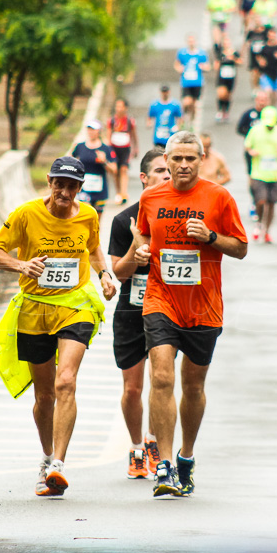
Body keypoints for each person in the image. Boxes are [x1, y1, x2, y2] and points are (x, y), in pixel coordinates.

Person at [0, 156, 118, 497]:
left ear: (80, 188)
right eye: (59, 183)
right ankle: (46, 459)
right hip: (34, 309)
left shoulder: (88, 214)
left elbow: (93, 249)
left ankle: (59, 464)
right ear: (49, 181)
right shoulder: (26, 214)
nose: (64, 191)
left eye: (72, 185)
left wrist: (104, 275)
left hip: (75, 307)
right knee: (44, 396)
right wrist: (20, 264)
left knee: (66, 381)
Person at [133, 131, 248, 497]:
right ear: (165, 160)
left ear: (202, 159)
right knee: (162, 378)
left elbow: (242, 248)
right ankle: (164, 465)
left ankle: (186, 456)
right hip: (160, 300)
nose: (183, 165)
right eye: (177, 159)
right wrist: (142, 251)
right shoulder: (150, 197)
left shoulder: (219, 197)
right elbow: (142, 235)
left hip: (204, 306)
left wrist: (210, 237)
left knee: (193, 386)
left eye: (190, 159)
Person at [108, 148, 170, 480]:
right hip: (132, 311)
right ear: (144, 178)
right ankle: (135, 448)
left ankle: (156, 443)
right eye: (160, 171)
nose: (167, 176)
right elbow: (119, 273)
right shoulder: (123, 220)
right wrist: (137, 247)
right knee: (133, 388)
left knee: (162, 383)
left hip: (168, 311)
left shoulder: (177, 217)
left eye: (170, 171)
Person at [244, 106, 277, 243]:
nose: (269, 128)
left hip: (276, 174)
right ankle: (259, 223)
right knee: (260, 201)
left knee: (271, 203)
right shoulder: (255, 130)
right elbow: (247, 145)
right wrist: (251, 151)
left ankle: (267, 231)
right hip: (258, 173)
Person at [71, 120, 117, 217]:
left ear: (99, 131)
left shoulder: (106, 149)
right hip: (83, 187)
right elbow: (70, 161)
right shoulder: (80, 147)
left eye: (93, 129)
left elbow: (114, 170)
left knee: (96, 220)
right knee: (85, 215)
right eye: (89, 129)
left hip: (99, 188)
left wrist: (104, 161)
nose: (91, 132)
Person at [236, 91, 270, 221]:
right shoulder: (249, 114)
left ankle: (265, 201)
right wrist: (251, 135)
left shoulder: (272, 115)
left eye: (264, 99)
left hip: (268, 154)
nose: (262, 102)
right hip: (252, 153)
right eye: (260, 99)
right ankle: (254, 201)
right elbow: (239, 129)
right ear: (256, 100)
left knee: (266, 178)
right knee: (252, 178)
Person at [106, 98, 139, 205]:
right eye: (117, 106)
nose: (119, 109)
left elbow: (134, 135)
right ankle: (118, 192)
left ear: (125, 108)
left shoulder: (130, 121)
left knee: (124, 170)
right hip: (114, 148)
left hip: (125, 149)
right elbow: (108, 135)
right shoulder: (111, 121)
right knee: (115, 171)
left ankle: (124, 193)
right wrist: (108, 150)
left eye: (121, 106)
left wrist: (136, 147)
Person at [174, 35, 211, 128]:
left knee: (193, 105)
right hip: (186, 82)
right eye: (189, 41)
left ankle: (191, 123)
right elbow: (176, 64)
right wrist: (179, 68)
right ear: (187, 42)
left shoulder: (201, 53)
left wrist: (204, 67)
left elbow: (208, 66)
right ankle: (182, 121)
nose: (191, 43)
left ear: (196, 42)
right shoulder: (182, 53)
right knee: (186, 102)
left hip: (197, 82)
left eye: (193, 41)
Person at [255, 27, 277, 106]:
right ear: (268, 36)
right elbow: (258, 57)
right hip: (266, 74)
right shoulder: (264, 48)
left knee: (274, 95)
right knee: (268, 92)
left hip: (276, 74)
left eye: (273, 35)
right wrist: (260, 62)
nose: (272, 37)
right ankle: (267, 109)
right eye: (270, 35)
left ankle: (272, 109)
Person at [213, 34, 242, 121]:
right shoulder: (220, 53)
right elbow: (216, 65)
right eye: (224, 43)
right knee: (221, 94)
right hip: (222, 77)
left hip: (231, 77)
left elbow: (240, 62)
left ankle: (226, 112)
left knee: (228, 96)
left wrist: (233, 59)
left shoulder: (234, 53)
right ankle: (220, 111)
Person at [243, 18, 269, 94]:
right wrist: (243, 54)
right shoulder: (251, 32)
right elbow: (246, 43)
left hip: (262, 55)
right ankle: (254, 87)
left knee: (261, 73)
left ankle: (261, 87)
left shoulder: (265, 33)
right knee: (254, 72)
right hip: (253, 55)